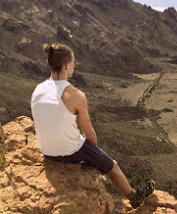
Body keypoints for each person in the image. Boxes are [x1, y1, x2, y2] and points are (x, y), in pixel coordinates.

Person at [31, 43, 154, 209]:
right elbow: (89, 133)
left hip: (46, 151)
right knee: (113, 166)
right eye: (73, 63)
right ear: (67, 65)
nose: (74, 66)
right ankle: (133, 197)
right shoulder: (74, 95)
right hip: (68, 152)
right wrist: (94, 155)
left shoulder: (37, 90)